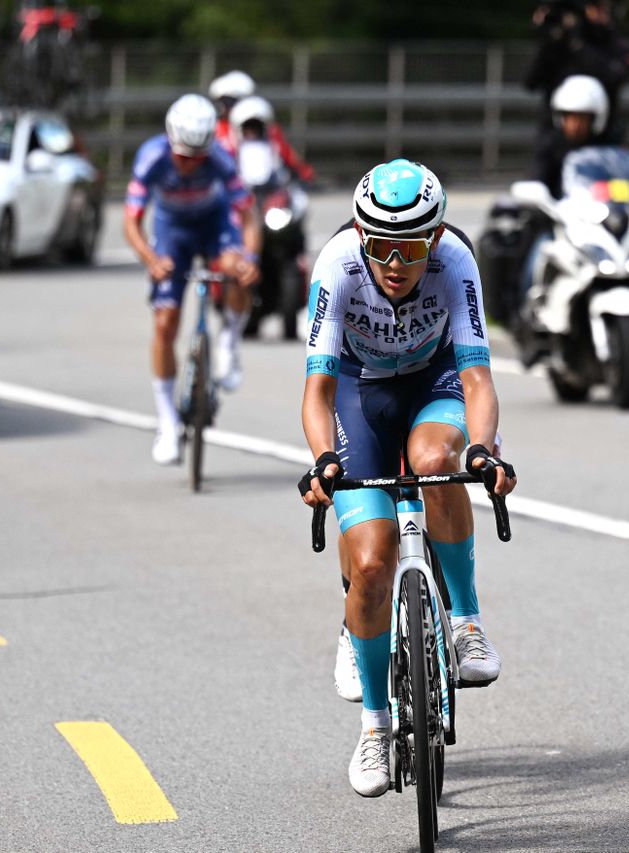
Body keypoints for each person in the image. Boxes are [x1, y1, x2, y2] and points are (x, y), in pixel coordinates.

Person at [298, 159, 517, 798]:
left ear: (437, 239)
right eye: (381, 247)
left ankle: (467, 624)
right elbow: (317, 390)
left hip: (435, 381)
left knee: (434, 462)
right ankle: (374, 728)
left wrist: (483, 450)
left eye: (412, 247)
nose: (395, 263)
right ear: (362, 239)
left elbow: (478, 378)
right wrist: (323, 461)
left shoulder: (456, 262)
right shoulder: (337, 265)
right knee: (369, 562)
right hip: (359, 396)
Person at [123, 93, 261, 465]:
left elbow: (248, 215)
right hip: (171, 232)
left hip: (213, 225)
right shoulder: (152, 157)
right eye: (183, 157)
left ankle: (230, 339)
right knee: (165, 323)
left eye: (196, 158)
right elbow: (131, 221)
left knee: (236, 270)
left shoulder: (219, 158)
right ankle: (167, 421)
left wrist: (250, 258)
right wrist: (150, 259)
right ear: (171, 142)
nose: (189, 165)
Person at [523, 0, 629, 142]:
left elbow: (616, 76)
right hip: (555, 139)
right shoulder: (560, 44)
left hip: (602, 139)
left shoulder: (615, 44)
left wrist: (579, 46)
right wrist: (550, 41)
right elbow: (530, 82)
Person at [208, 70, 315, 184]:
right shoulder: (215, 129)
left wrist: (302, 172)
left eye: (227, 102)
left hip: (265, 185)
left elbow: (288, 156)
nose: (223, 107)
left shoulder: (267, 129)